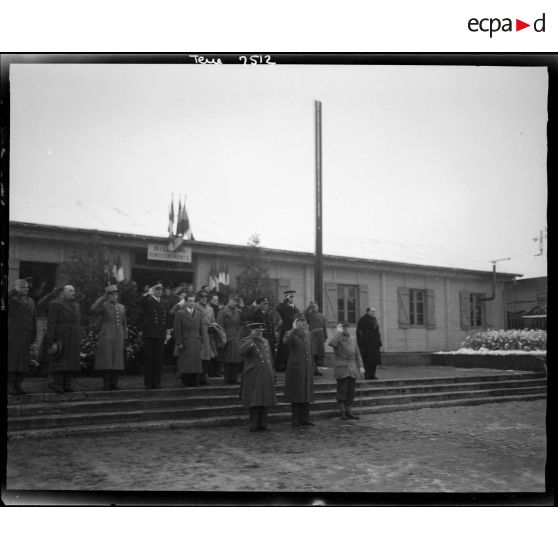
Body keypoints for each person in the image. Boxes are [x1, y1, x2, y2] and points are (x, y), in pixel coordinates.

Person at [238, 322, 278, 432]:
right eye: (257, 331)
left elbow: (270, 358)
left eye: (261, 332)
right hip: (253, 375)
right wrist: (251, 339)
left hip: (266, 374)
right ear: (252, 331)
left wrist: (272, 371)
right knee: (254, 400)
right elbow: (241, 351)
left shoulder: (266, 342)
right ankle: (253, 423)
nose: (260, 333)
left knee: (265, 399)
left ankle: (263, 423)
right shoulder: (246, 341)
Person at [44, 285, 81, 394]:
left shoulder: (77, 305)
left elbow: (78, 322)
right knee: (60, 361)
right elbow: (51, 322)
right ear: (63, 293)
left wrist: (79, 335)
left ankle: (67, 385)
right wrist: (50, 338)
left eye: (74, 290)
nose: (73, 292)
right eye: (70, 291)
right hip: (61, 337)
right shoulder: (56, 304)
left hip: (73, 337)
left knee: (71, 362)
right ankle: (57, 384)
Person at [90, 284, 128, 390]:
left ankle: (114, 383)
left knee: (117, 359)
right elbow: (93, 309)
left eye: (116, 294)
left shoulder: (122, 307)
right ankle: (106, 383)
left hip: (118, 335)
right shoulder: (104, 305)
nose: (115, 297)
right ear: (108, 295)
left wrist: (125, 336)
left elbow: (124, 323)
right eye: (112, 294)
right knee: (107, 359)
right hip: (107, 334)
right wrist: (103, 298)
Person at [137, 282, 171, 389]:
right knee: (149, 359)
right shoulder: (148, 301)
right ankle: (148, 382)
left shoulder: (165, 302)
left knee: (158, 359)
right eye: (157, 289)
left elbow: (168, 318)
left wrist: (168, 332)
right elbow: (138, 303)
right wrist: (148, 293)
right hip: (150, 333)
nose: (159, 291)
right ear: (153, 290)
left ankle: (157, 382)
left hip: (160, 334)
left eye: (161, 290)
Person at [283, 313, 315, 427]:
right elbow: (286, 343)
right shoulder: (290, 333)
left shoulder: (308, 334)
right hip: (296, 369)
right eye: (300, 321)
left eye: (304, 321)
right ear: (295, 322)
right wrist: (293, 329)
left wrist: (313, 367)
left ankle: (305, 419)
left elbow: (310, 352)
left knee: (306, 394)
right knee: (296, 395)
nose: (303, 323)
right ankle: (295, 420)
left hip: (307, 369)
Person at [329, 321, 365, 420]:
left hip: (352, 369)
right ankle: (343, 412)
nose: (345, 329)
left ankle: (349, 410)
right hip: (342, 368)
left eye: (346, 327)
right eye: (343, 327)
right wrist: (338, 333)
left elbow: (358, 354)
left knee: (351, 392)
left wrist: (361, 367)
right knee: (342, 391)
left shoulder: (352, 339)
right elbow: (331, 343)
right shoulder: (337, 339)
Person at [7, 278, 37, 395]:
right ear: (16, 288)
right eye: (22, 287)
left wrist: (34, 336)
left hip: (26, 337)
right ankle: (10, 386)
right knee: (12, 362)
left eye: (27, 287)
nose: (26, 289)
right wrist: (14, 290)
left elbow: (33, 319)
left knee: (24, 364)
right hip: (12, 336)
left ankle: (18, 385)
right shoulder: (11, 299)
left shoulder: (31, 301)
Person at [174, 294, 204, 387]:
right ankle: (185, 381)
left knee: (195, 361)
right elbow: (177, 329)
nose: (192, 303)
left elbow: (201, 328)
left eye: (193, 301)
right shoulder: (180, 313)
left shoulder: (199, 313)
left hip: (196, 338)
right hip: (185, 339)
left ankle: (194, 381)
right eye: (190, 301)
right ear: (186, 302)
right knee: (185, 362)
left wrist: (202, 341)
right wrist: (179, 342)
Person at [217, 294, 244, 384]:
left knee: (236, 359)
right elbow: (219, 325)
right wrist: (222, 336)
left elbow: (244, 320)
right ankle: (227, 378)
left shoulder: (238, 311)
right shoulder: (223, 311)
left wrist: (242, 306)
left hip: (237, 336)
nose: (235, 302)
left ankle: (234, 378)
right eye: (233, 300)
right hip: (227, 336)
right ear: (229, 301)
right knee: (227, 359)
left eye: (236, 301)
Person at [275, 290, 300, 372]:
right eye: (290, 297)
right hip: (286, 330)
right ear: (286, 297)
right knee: (284, 349)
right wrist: (285, 300)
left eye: (293, 296)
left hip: (293, 330)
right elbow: (278, 308)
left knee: (291, 348)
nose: (292, 298)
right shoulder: (284, 307)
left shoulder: (294, 307)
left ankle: (290, 365)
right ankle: (282, 366)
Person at [194, 289, 215, 385]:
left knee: (206, 357)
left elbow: (213, 320)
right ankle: (196, 378)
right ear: (198, 298)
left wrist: (212, 326)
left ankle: (203, 378)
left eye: (206, 297)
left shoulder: (210, 309)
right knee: (197, 357)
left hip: (207, 335)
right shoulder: (194, 307)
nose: (204, 299)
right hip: (196, 334)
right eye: (202, 297)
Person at [356, 307, 383, 380]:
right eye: (372, 311)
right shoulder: (362, 320)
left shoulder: (375, 320)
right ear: (368, 311)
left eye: (374, 311)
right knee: (366, 361)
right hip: (366, 344)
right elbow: (359, 333)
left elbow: (377, 332)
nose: (374, 312)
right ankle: (366, 375)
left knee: (374, 361)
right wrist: (361, 343)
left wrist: (379, 341)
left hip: (374, 344)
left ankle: (372, 375)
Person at [251, 297, 278, 366]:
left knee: (271, 355)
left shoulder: (268, 314)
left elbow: (271, 327)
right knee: (263, 356)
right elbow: (254, 327)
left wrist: (274, 339)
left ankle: (271, 371)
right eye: (264, 304)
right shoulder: (256, 314)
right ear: (260, 305)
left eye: (267, 304)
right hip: (262, 338)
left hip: (270, 338)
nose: (266, 306)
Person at [305, 301, 328, 376]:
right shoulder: (309, 315)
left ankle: (317, 370)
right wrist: (309, 307)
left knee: (319, 354)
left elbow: (324, 326)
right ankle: (312, 369)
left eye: (317, 307)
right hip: (313, 336)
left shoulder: (321, 315)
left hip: (320, 336)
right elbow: (303, 314)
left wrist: (325, 336)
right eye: (314, 307)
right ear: (312, 308)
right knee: (313, 353)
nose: (316, 308)